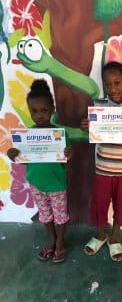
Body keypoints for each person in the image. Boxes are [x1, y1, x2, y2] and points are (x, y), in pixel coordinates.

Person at [80, 61, 122, 262]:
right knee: (100, 202)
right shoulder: (98, 106)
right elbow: (93, 132)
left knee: (121, 203)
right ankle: (100, 234)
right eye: (108, 84)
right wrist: (87, 127)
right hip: (102, 169)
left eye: (117, 83)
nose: (113, 88)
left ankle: (115, 236)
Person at [7, 79, 72, 263]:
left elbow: (66, 163)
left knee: (60, 216)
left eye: (44, 110)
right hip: (36, 183)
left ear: (52, 109)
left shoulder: (60, 135)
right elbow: (25, 161)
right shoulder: (25, 136)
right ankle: (51, 239)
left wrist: (69, 154)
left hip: (57, 184)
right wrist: (14, 155)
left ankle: (60, 242)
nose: (39, 115)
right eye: (34, 111)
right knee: (45, 214)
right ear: (29, 111)